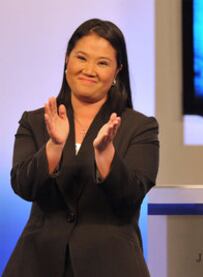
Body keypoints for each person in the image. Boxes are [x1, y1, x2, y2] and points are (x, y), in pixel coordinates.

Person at [3, 19, 158, 277]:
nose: (89, 69)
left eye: (102, 63)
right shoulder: (35, 120)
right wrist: (54, 146)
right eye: (81, 58)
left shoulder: (139, 127)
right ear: (67, 60)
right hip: (37, 263)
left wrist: (106, 153)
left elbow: (131, 198)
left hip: (111, 265)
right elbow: (22, 186)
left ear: (117, 70)